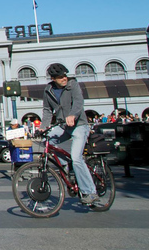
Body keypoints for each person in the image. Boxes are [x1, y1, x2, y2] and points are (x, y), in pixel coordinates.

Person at [41, 63, 98, 205]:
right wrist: (43, 127)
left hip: (79, 125)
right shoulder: (48, 90)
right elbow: (47, 110)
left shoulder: (73, 85)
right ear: (53, 78)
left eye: (64, 75)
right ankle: (66, 168)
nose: (64, 78)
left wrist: (72, 115)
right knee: (49, 141)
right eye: (60, 77)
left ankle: (90, 192)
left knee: (77, 158)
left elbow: (79, 102)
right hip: (63, 126)